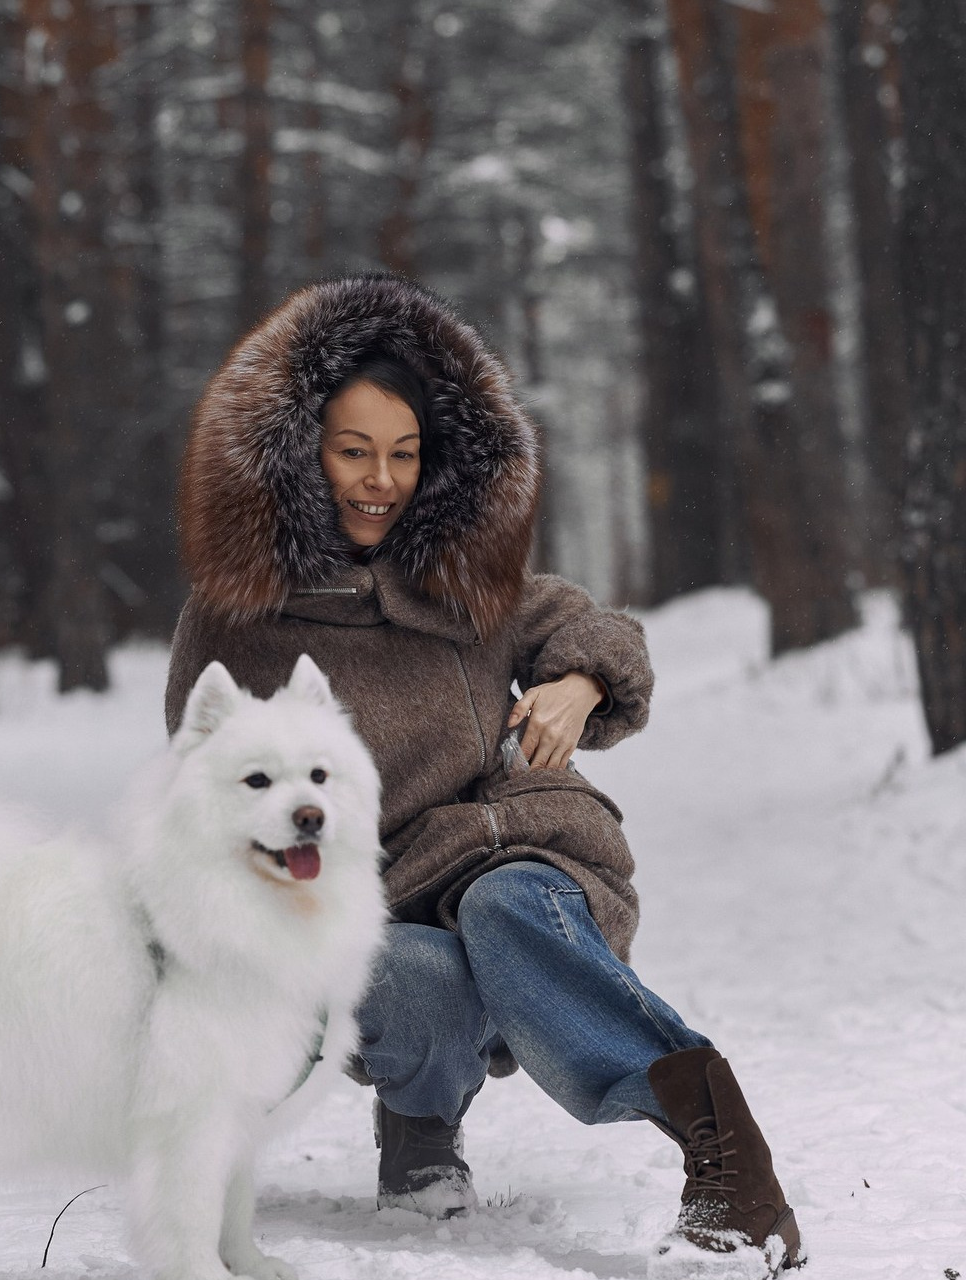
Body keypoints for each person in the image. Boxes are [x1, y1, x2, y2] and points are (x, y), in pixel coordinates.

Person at [166, 274, 801, 1276]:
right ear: (298, 453)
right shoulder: (237, 609)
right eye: (353, 450)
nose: (381, 479)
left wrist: (579, 684)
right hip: (362, 894)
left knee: (506, 907)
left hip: (511, 850)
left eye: (405, 452)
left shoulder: (464, 574)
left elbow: (598, 628)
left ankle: (722, 1151)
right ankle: (420, 1128)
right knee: (415, 975)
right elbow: (205, 784)